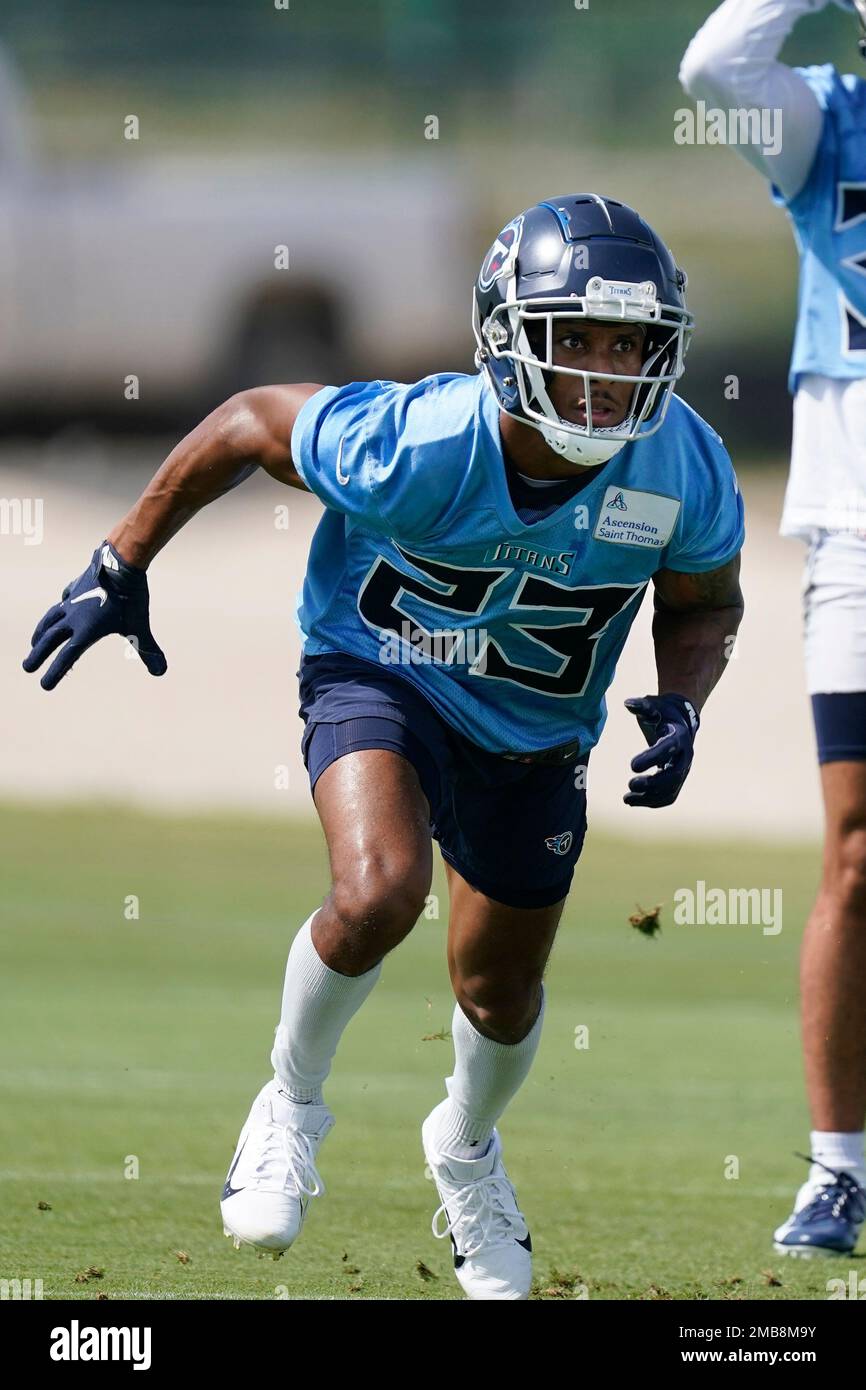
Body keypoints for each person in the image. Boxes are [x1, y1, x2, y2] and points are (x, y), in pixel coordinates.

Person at [23, 193, 745, 1300]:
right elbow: (247, 421)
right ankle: (289, 1104)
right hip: (382, 669)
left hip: (536, 731)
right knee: (378, 892)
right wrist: (124, 559)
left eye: (628, 343)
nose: (604, 370)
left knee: (497, 991)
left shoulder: (679, 467)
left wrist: (682, 698)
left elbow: (703, 603)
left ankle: (463, 1151)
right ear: (506, 338)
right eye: (577, 338)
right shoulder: (421, 440)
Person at [681, 0, 866, 1258]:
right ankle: (840, 1170)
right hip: (857, 533)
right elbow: (714, 62)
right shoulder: (823, 129)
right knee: (855, 851)